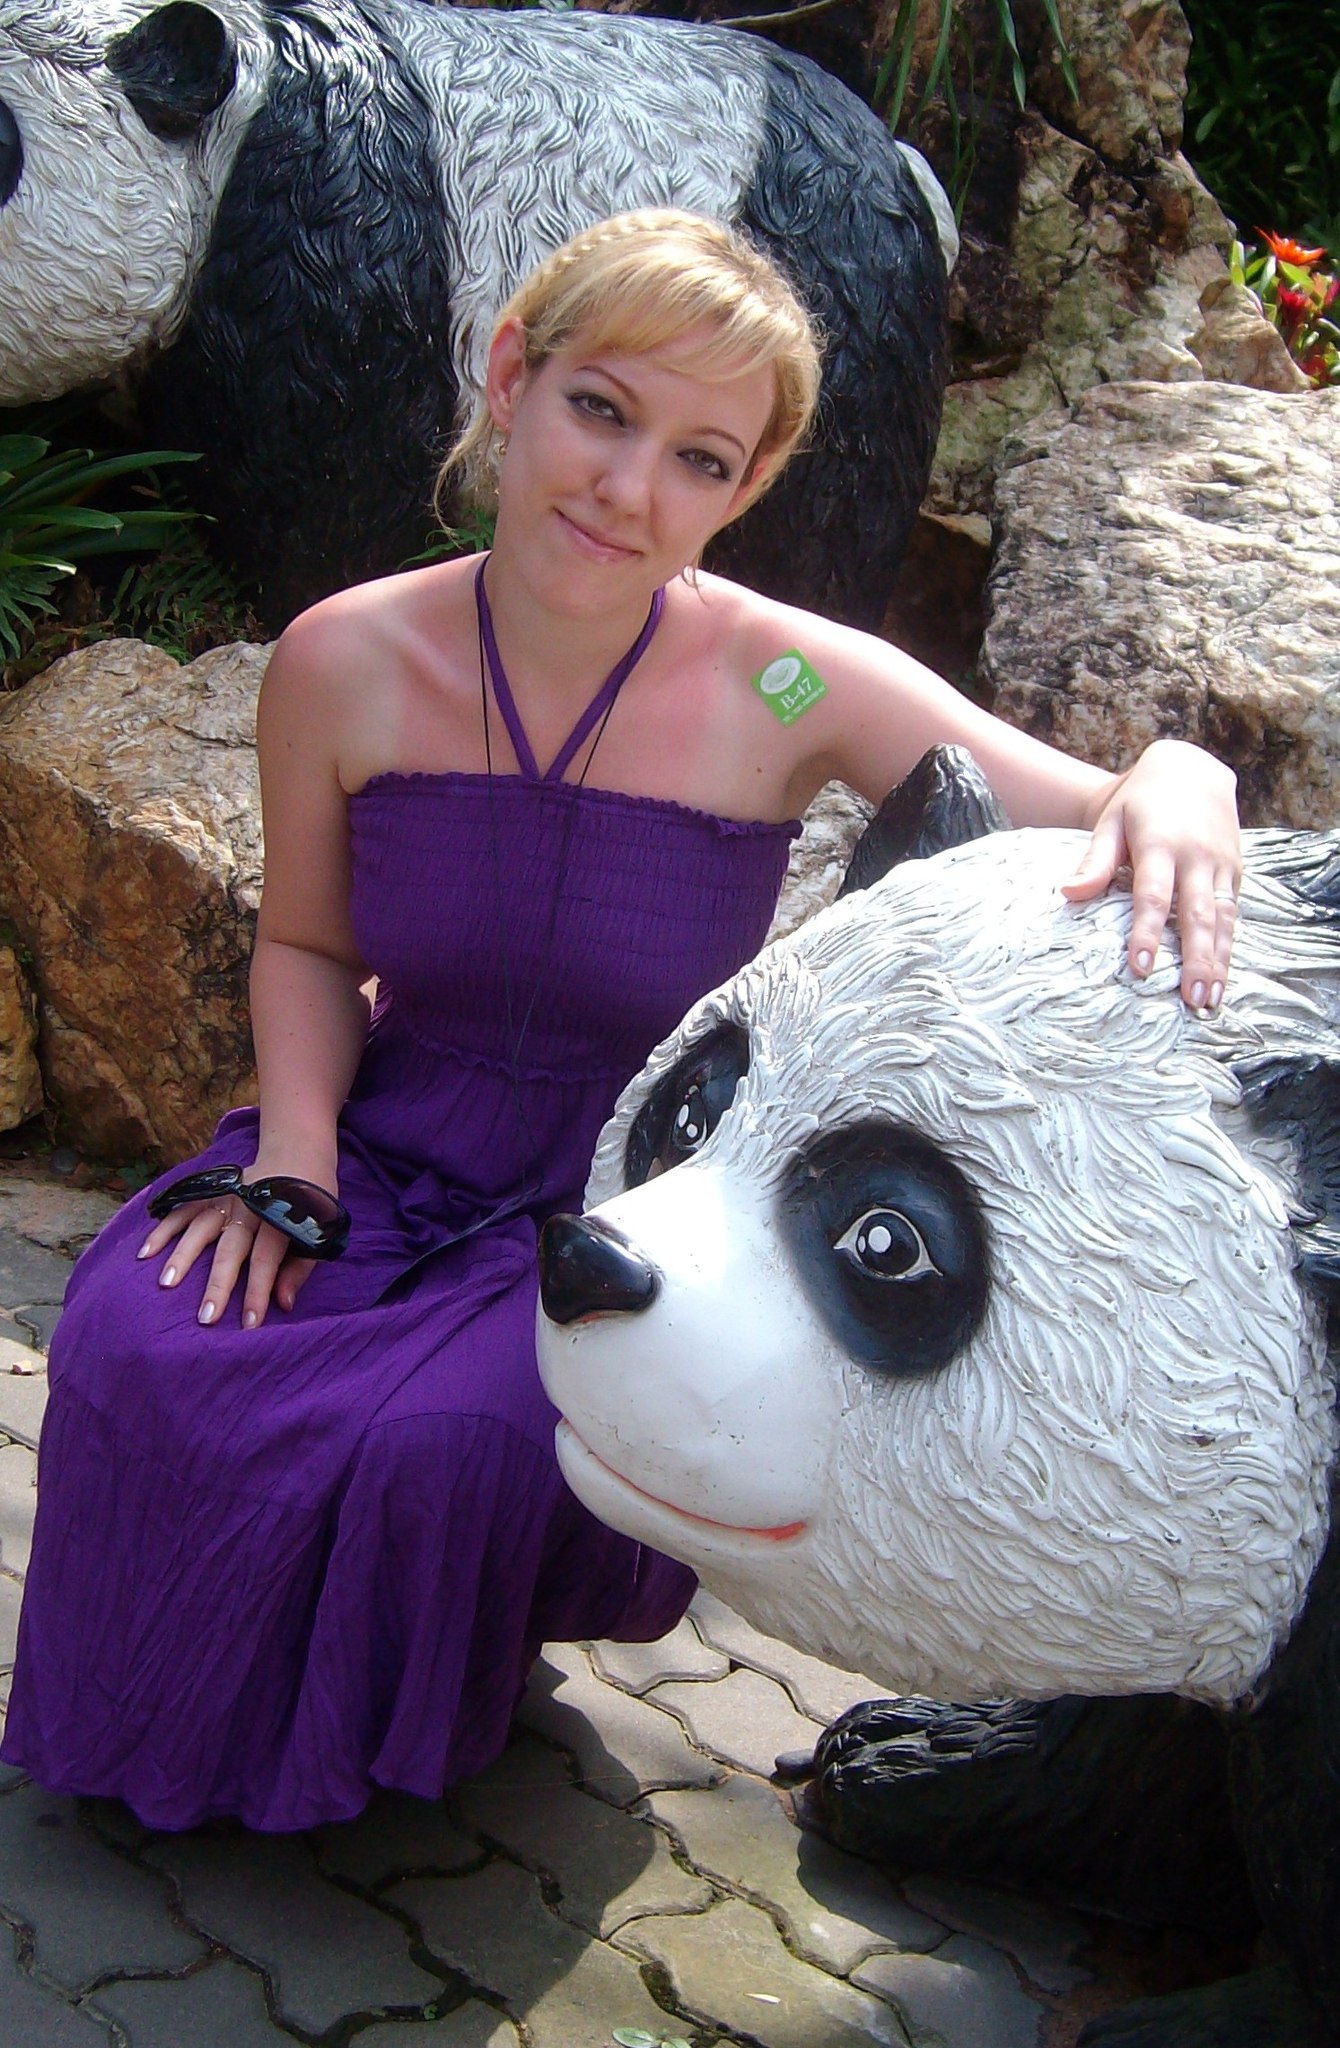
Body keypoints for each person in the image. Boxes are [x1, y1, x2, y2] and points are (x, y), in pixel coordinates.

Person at [1, 211, 1241, 1831]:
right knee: (144, 1332)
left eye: (699, 459)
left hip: (638, 1204)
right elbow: (305, 941)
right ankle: (182, 1706)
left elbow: (1084, 798)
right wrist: (293, 1156)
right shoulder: (345, 658)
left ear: (747, 486)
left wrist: (1185, 771)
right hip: (386, 1146)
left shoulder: (783, 684)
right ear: (513, 377)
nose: (628, 490)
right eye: (601, 410)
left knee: (441, 1443)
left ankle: (380, 1708)